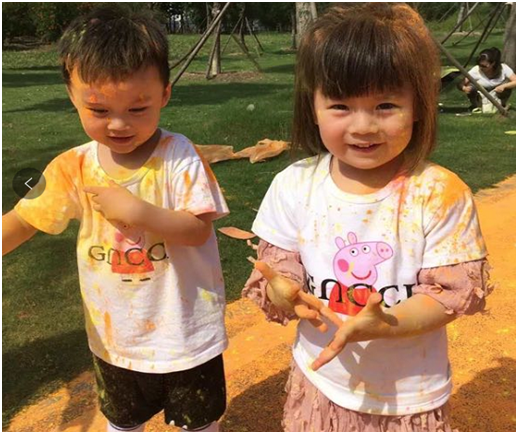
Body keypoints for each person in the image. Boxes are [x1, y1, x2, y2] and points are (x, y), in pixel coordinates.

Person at [243, 3, 493, 432]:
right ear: (313, 105)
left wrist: (387, 324)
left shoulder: (438, 192)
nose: (363, 126)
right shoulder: (295, 184)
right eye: (340, 105)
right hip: (321, 380)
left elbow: (447, 294)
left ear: (418, 105)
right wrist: (283, 290)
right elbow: (279, 265)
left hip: (408, 394)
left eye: (385, 105)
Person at [2, 6, 228, 433]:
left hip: (186, 336)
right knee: (122, 424)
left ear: (165, 94)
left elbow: (198, 230)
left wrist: (139, 212)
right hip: (115, 340)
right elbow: (25, 219)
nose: (119, 124)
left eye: (138, 108)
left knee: (199, 424)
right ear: (72, 96)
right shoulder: (72, 167)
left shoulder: (179, 156)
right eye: (99, 110)